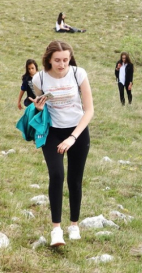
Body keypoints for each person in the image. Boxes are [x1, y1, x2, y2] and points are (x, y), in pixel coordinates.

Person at [31, 40, 94, 247]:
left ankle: (74, 224)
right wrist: (39, 108)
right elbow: (42, 109)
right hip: (53, 133)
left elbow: (89, 110)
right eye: (57, 60)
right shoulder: (39, 78)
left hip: (77, 131)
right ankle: (56, 230)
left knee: (75, 179)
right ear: (48, 59)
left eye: (65, 59)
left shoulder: (78, 74)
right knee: (57, 175)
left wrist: (73, 137)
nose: (62, 64)